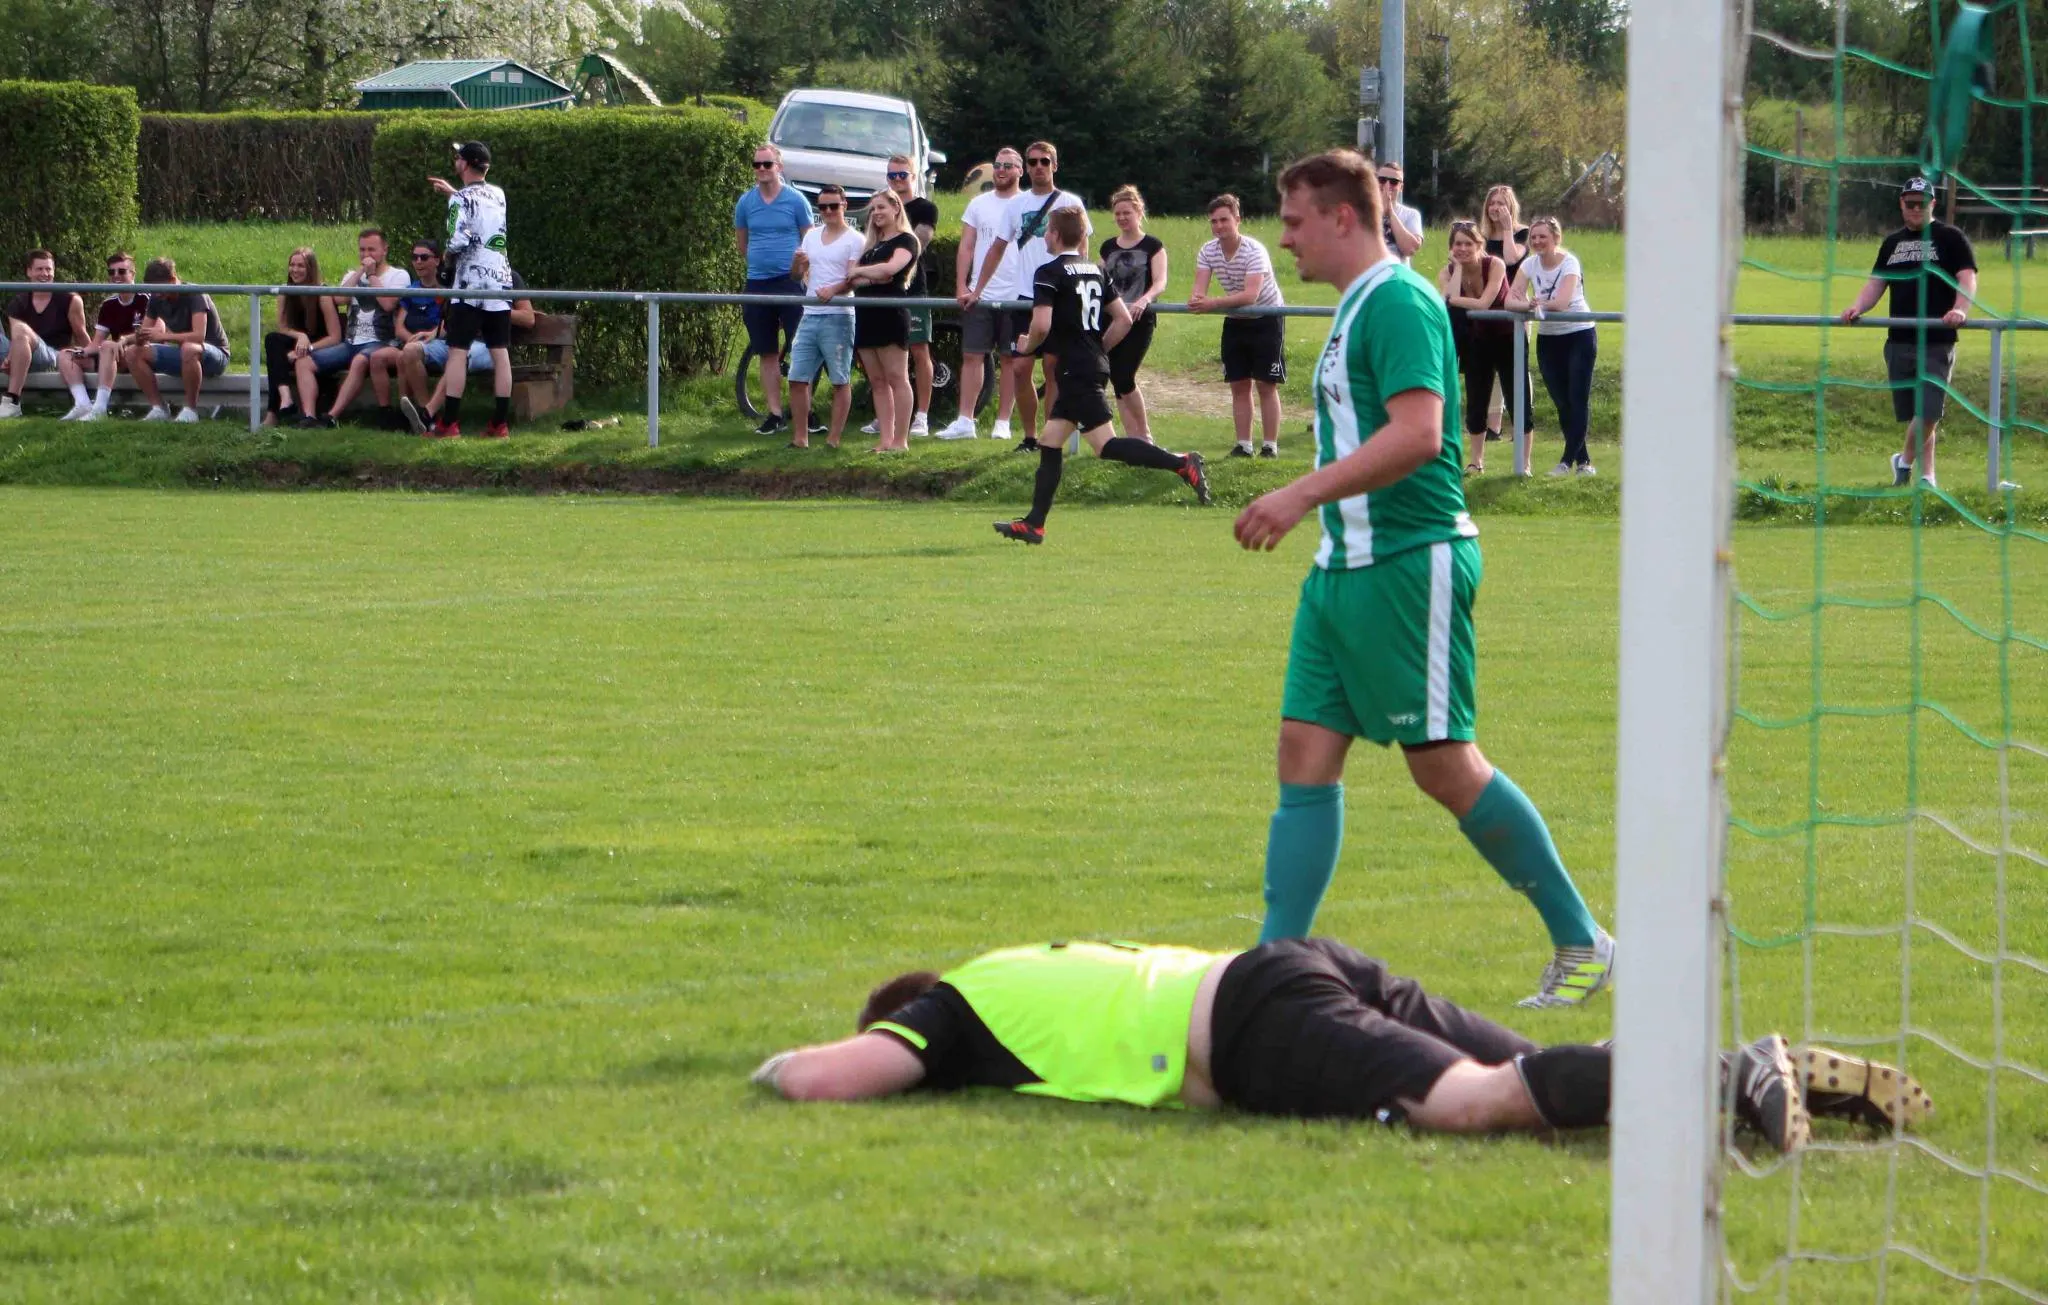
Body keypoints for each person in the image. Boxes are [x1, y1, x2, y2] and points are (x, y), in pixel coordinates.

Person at [1232, 149, 1615, 1008]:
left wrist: (1299, 492)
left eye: (1293, 221)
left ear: (1341, 217)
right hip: (1342, 570)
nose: (1283, 239)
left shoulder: (1400, 301)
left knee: (1444, 765)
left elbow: (1420, 435)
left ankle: (1583, 941)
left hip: (1411, 562)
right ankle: (1270, 972)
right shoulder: (1357, 303)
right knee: (1302, 753)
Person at [750, 934, 1931, 1155]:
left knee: (1469, 1104)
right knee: (1537, 1087)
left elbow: (814, 1081)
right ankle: (1747, 1083)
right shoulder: (1027, 964)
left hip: (1254, 1026)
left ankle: (1731, 1071)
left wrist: (758, 1071)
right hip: (1293, 966)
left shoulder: (956, 1009)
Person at [994, 207, 1210, 544]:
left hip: (1075, 370)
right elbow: (1123, 319)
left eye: (1048, 230)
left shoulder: (1049, 272)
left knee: (1105, 445)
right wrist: (1098, 351)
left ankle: (1181, 462)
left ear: (1055, 234)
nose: (1045, 236)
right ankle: (1034, 524)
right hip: (1087, 366)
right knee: (1050, 441)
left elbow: (1041, 325)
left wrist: (1026, 347)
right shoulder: (1096, 270)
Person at [1838, 175, 1979, 489]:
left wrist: (1960, 309)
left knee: (1928, 410)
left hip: (1936, 339)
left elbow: (1967, 277)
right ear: (1901, 204)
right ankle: (1927, 476)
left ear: (1932, 204)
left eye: (1921, 204)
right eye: (1910, 203)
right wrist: (1857, 307)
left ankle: (1903, 462)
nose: (1915, 209)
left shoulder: (1951, 237)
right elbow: (1876, 283)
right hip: (1899, 340)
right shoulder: (1892, 243)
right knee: (1917, 413)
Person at [963, 141, 1089, 451]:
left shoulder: (1070, 202)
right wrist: (977, 290)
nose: (1038, 167)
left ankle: (1050, 438)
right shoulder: (1016, 205)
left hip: (1061, 297)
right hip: (1024, 297)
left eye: (1044, 161)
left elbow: (1082, 250)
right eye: (1032, 162)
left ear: (1054, 165)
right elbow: (996, 249)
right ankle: (1030, 436)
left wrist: (1081, 289)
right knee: (1020, 369)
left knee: (1053, 369)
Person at [429, 140, 516, 439]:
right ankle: (499, 424)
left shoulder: (460, 199)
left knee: (457, 351)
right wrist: (454, 193)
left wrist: (446, 258)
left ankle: (449, 423)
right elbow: (479, 210)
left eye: (458, 157)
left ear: (465, 164)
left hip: (469, 283)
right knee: (500, 351)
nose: (455, 161)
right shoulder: (499, 194)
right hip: (499, 281)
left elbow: (458, 239)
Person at [939, 146, 1026, 441]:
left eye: (1008, 166)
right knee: (972, 355)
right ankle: (965, 420)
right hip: (980, 294)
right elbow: (966, 246)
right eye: (998, 165)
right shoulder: (978, 204)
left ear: (1020, 171)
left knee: (1010, 359)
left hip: (1016, 295)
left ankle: (1003, 422)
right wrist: (961, 285)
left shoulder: (1027, 204)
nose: (1001, 170)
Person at [1189, 193, 1285, 459]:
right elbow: (1199, 290)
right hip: (1235, 319)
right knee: (1239, 384)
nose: (1219, 226)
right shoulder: (1208, 250)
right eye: (1214, 221)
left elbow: (1251, 295)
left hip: (1267, 317)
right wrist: (1198, 300)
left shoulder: (1254, 250)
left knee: (1266, 384)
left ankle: (1270, 446)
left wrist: (1212, 303)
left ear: (1237, 220)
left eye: (1224, 220)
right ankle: (1244, 445)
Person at [1505, 217, 1599, 476]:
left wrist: (1537, 304)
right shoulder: (1529, 264)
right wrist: (1527, 304)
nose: (1537, 242)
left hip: (1579, 334)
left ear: (1556, 238)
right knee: (1561, 402)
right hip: (1549, 338)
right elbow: (1510, 300)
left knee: (1577, 398)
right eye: (1533, 237)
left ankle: (1566, 462)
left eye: (1543, 237)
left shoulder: (1570, 263)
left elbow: (1562, 303)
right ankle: (1584, 462)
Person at [733, 142, 814, 436]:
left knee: (801, 347)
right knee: (766, 351)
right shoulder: (746, 203)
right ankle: (775, 414)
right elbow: (742, 243)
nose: (762, 170)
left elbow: (810, 241)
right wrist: (761, 262)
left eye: (767, 164)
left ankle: (806, 412)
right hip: (757, 283)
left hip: (790, 282)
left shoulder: (796, 201)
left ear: (779, 167)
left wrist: (799, 272)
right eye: (757, 165)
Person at [399, 274, 536, 436]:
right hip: (456, 340)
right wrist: (435, 332)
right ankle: (427, 417)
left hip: (485, 346)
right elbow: (454, 315)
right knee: (410, 351)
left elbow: (529, 318)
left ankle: (427, 414)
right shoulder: (465, 273)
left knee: (458, 358)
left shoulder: (508, 276)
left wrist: (492, 308)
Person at [302, 228, 410, 429]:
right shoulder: (352, 275)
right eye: (362, 250)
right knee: (304, 362)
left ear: (385, 250)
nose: (366, 254)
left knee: (360, 361)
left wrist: (372, 275)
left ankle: (331, 417)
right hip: (350, 343)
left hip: (382, 343)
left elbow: (388, 304)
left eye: (372, 249)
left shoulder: (398, 275)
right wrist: (361, 272)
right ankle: (308, 416)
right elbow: (339, 298)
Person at [785, 185, 862, 449]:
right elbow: (796, 276)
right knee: (797, 377)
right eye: (822, 207)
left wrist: (833, 290)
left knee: (839, 379)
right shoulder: (811, 236)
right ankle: (800, 438)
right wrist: (797, 263)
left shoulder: (855, 239)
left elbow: (853, 279)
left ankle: (833, 440)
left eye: (833, 206)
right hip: (810, 314)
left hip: (839, 316)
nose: (828, 211)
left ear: (844, 206)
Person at [847, 190, 919, 453]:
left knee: (897, 377)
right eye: (873, 209)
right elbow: (854, 280)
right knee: (877, 381)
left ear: (896, 208)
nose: (876, 213)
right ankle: (885, 440)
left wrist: (860, 271)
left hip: (890, 314)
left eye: (881, 207)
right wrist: (870, 275)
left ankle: (901, 441)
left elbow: (890, 270)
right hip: (866, 314)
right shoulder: (871, 245)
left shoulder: (906, 240)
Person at [1436, 221, 1510, 475]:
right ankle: (1475, 461)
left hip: (1503, 337)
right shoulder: (1447, 272)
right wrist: (1457, 268)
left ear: (1480, 245)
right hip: (1472, 340)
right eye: (1458, 244)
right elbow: (1450, 303)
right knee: (1474, 401)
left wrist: (1451, 300)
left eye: (1468, 243)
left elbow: (1484, 303)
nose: (1463, 248)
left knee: (1514, 397)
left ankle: (1523, 466)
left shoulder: (1495, 265)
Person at [1098, 185, 1169, 443]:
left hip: (1139, 319)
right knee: (1116, 378)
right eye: (1117, 213)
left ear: (1139, 212)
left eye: (1126, 212)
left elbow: (1160, 281)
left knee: (1125, 375)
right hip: (1111, 319)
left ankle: (1145, 434)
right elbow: (1099, 278)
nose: (1122, 218)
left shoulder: (1153, 246)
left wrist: (1144, 300)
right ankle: (1132, 439)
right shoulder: (1108, 247)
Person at [121, 257, 229, 423]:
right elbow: (145, 332)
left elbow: (198, 336)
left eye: (160, 289)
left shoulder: (194, 294)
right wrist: (130, 339)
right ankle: (159, 408)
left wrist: (162, 336)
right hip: (184, 352)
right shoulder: (157, 298)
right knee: (133, 353)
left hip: (215, 355)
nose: (157, 294)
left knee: (189, 348)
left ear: (172, 280)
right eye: (153, 290)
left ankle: (191, 410)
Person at [880, 154, 939, 438]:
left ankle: (922, 416)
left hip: (912, 288)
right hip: (882, 289)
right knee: (884, 351)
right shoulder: (881, 206)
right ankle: (887, 414)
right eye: (892, 175)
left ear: (914, 177)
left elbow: (919, 243)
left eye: (902, 175)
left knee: (919, 350)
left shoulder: (925, 208)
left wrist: (890, 265)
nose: (897, 180)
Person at [1, 249, 90, 420]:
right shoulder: (19, 301)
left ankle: (12, 401)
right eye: (39, 269)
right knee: (20, 334)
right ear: (29, 272)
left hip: (53, 356)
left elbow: (81, 334)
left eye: (48, 269)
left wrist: (94, 360)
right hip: (19, 352)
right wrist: (10, 355)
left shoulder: (70, 299)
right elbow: (16, 336)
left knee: (23, 331)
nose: (45, 274)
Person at [365, 239, 445, 427]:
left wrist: (425, 339)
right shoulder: (411, 291)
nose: (418, 262)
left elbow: (449, 322)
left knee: (405, 356)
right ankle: (388, 413)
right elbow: (399, 327)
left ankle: (420, 414)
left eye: (424, 257)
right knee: (377, 358)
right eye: (414, 257)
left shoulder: (445, 290)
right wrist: (411, 339)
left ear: (437, 261)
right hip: (410, 343)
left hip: (437, 342)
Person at [259, 246, 342, 428]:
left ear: (311, 269)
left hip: (321, 346)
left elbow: (335, 337)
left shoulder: (322, 294)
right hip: (299, 343)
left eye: (301, 266)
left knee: (278, 359)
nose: (295, 270)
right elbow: (283, 328)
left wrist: (307, 348)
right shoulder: (285, 293)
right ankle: (285, 398)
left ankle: (274, 414)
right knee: (272, 340)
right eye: (292, 265)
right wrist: (301, 336)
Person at [1479, 184, 1533, 447]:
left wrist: (1508, 228)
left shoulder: (1523, 233)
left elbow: (1511, 259)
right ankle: (1493, 426)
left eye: (1501, 203)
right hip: (1488, 309)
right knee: (1489, 367)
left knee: (1515, 368)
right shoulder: (1482, 237)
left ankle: (1521, 423)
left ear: (1510, 207)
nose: (1496, 208)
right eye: (1492, 203)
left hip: (1515, 308)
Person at [72, 251, 151, 421]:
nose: (116, 276)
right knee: (67, 356)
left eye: (121, 271)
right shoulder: (108, 304)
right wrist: (82, 352)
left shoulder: (146, 299)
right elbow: (96, 343)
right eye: (111, 272)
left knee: (108, 346)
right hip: (115, 355)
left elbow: (150, 335)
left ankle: (99, 408)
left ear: (133, 274)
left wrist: (123, 342)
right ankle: (82, 404)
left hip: (141, 353)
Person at [1377, 162, 1425, 265]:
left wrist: (1390, 212)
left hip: (1397, 273)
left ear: (1401, 187)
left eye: (1394, 182)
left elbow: (1410, 249)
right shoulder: (1363, 212)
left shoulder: (1411, 214)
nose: (1387, 185)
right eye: (1382, 180)